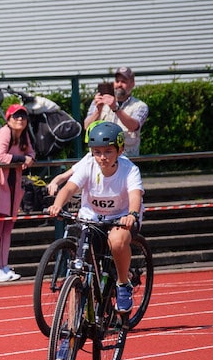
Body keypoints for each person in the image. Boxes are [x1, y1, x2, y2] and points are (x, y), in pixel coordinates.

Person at [47, 122, 144, 314]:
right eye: (97, 152)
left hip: (121, 218)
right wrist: (57, 204)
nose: (102, 157)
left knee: (116, 242)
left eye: (108, 151)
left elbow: (135, 195)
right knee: (79, 270)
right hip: (92, 219)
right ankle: (70, 331)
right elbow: (69, 188)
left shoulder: (129, 169)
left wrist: (132, 214)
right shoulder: (88, 165)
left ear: (120, 150)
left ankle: (123, 284)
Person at [0, 103, 35, 282]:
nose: (20, 119)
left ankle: (4, 266)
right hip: (0, 182)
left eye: (23, 116)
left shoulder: (24, 135)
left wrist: (29, 159)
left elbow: (31, 152)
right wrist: (22, 159)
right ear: (8, 119)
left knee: (7, 228)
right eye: (16, 116)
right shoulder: (5, 132)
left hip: (14, 182)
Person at [83, 66, 149, 157]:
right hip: (100, 158)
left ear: (132, 84)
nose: (119, 85)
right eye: (117, 81)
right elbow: (87, 126)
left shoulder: (140, 106)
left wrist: (116, 109)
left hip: (127, 158)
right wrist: (98, 111)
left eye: (124, 82)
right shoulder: (98, 102)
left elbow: (134, 126)